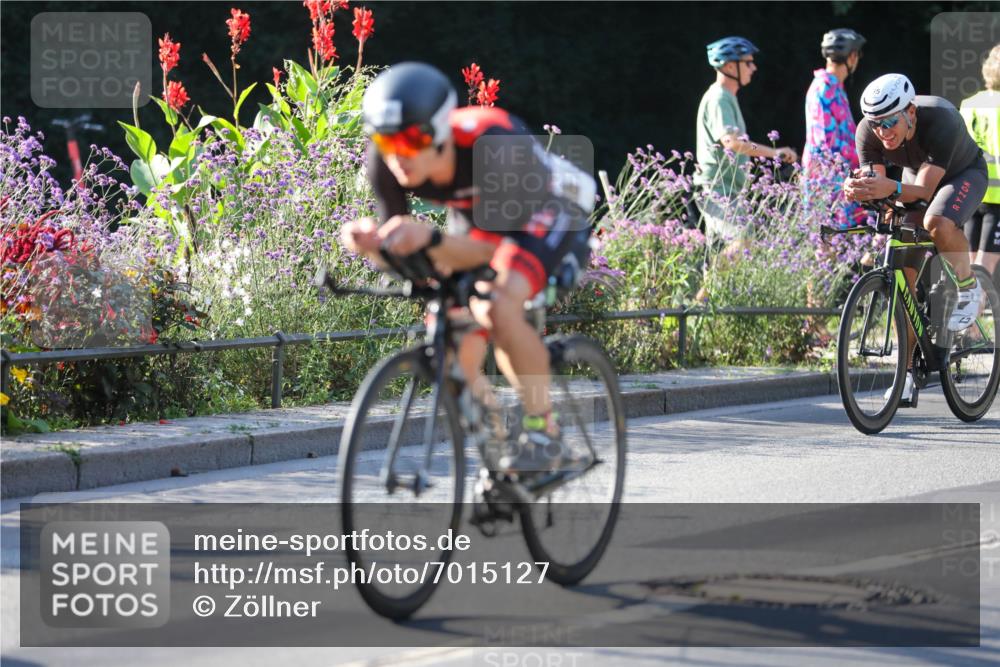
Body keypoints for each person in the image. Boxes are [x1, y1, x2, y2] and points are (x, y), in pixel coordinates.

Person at [339, 62, 595, 476]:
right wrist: (376, 247)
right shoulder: (385, 162)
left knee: (496, 305)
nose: (398, 154)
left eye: (411, 139)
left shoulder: (491, 144)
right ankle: (500, 458)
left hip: (548, 208)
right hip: (477, 214)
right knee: (450, 342)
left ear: (440, 131)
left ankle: (544, 434)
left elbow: (487, 254)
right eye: (386, 141)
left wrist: (431, 239)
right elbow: (412, 265)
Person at [844, 73, 988, 401]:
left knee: (937, 221)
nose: (883, 132)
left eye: (890, 121)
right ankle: (907, 373)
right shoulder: (867, 132)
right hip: (915, 176)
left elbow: (924, 190)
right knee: (903, 278)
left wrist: (892, 189)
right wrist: (857, 188)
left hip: (962, 173)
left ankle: (968, 287)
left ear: (910, 112)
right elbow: (878, 185)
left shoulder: (941, 119)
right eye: (876, 123)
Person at [694, 36, 798, 245]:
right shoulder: (719, 98)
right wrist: (774, 153)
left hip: (728, 188)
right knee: (743, 242)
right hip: (718, 189)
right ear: (731, 66)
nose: (754, 68)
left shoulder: (727, 97)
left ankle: (711, 276)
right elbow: (731, 142)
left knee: (723, 253)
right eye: (748, 63)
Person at [803, 28, 868, 229]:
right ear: (852, 56)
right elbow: (825, 143)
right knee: (828, 243)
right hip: (827, 179)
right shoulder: (825, 87)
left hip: (839, 176)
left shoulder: (834, 86)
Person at [959, 43, 1000, 282]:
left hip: (972, 193)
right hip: (997, 199)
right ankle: (970, 318)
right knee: (985, 266)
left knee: (970, 265)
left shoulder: (969, 104)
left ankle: (966, 319)